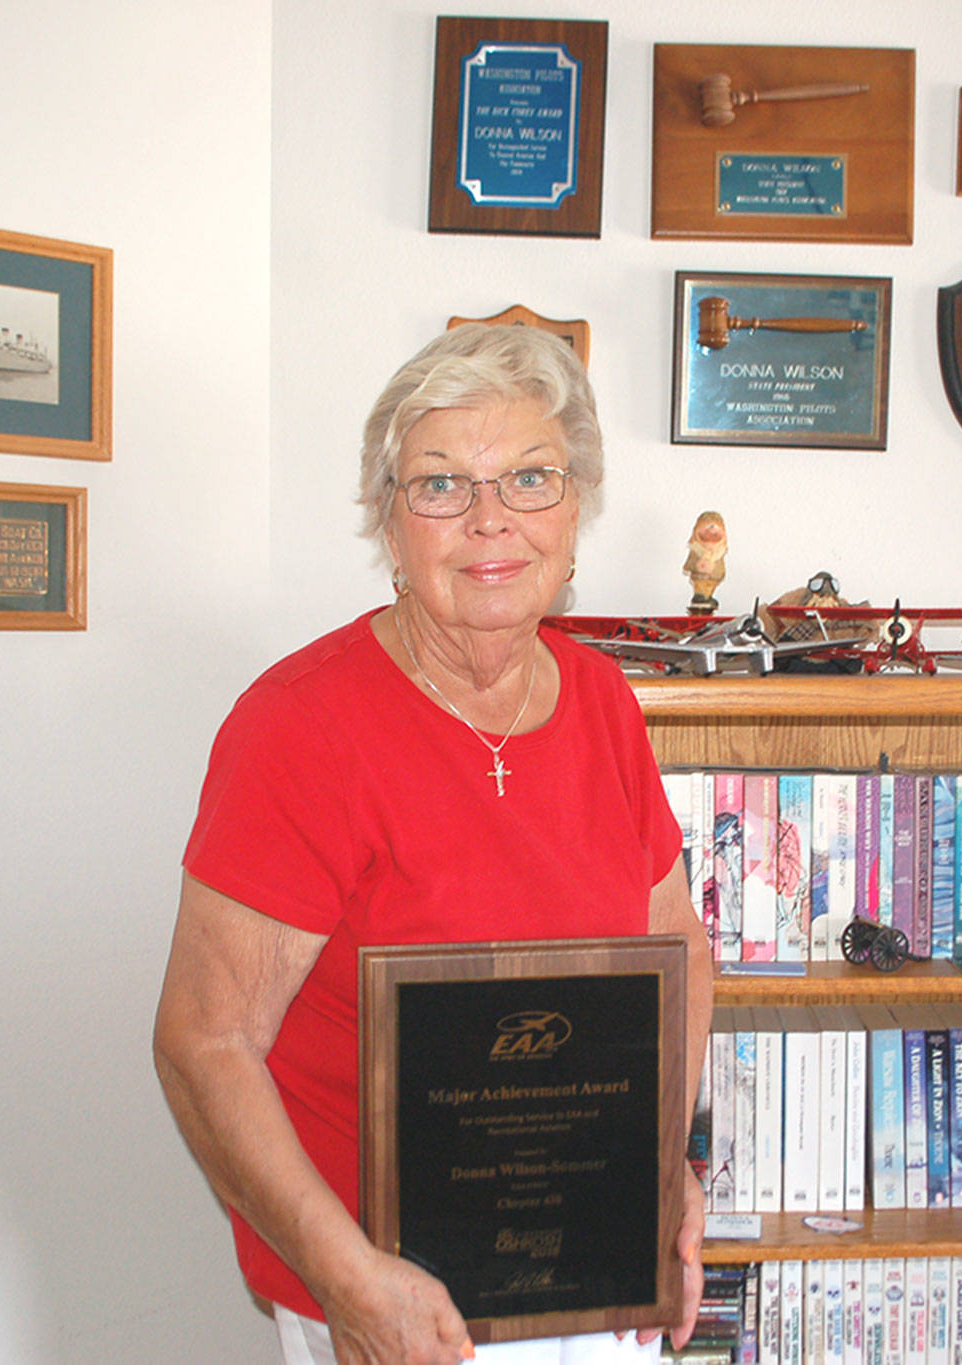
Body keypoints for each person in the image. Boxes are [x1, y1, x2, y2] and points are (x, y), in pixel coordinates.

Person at [154, 324, 713, 1365]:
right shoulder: (298, 728)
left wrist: (660, 1170)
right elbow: (203, 1044)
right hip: (390, 1296)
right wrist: (349, 1281)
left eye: (530, 478)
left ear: (576, 507)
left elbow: (674, 944)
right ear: (387, 519)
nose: (489, 519)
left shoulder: (600, 700)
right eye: (441, 485)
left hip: (590, 1266)